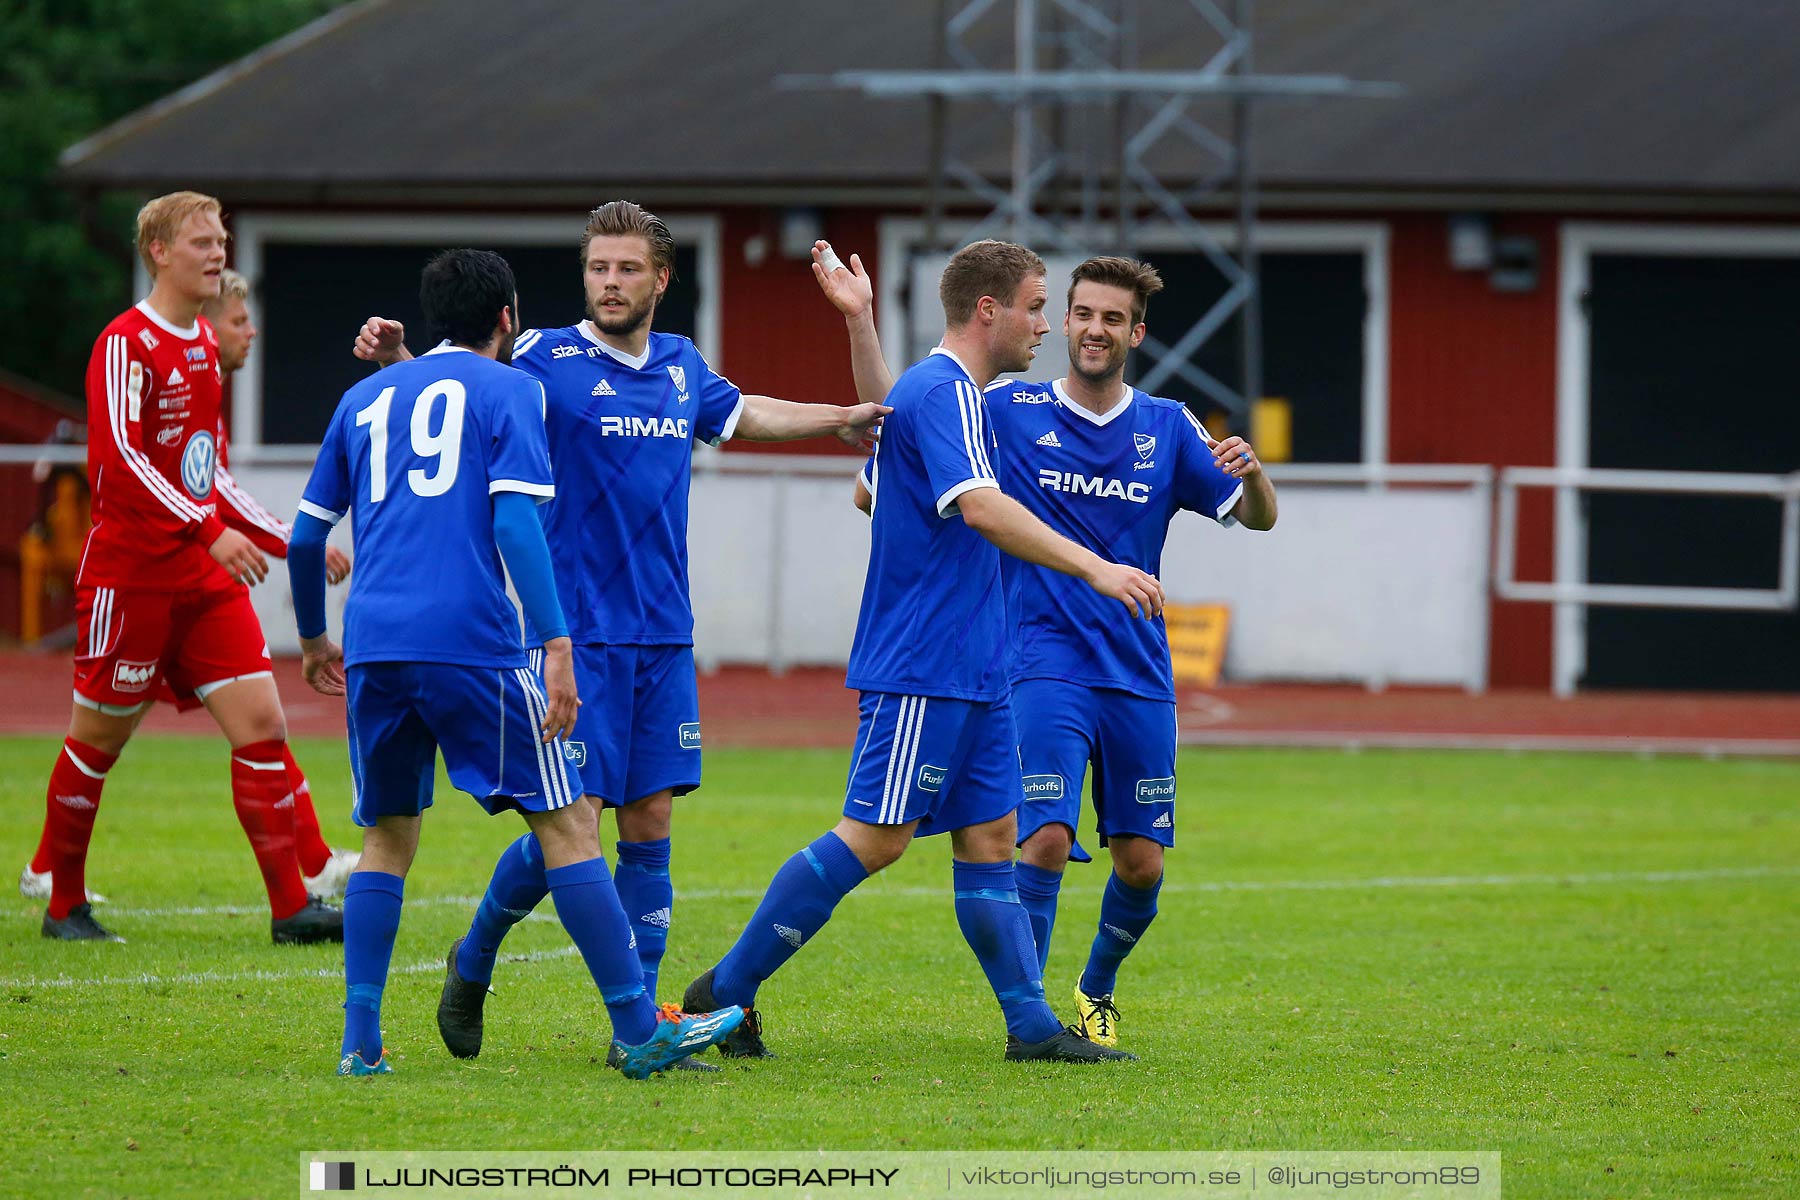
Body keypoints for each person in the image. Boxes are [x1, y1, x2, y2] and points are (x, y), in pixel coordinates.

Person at [352, 201, 888, 1067]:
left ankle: (632, 1027)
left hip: (662, 634)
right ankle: (478, 953)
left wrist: (839, 416)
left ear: (660, 279)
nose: (609, 281)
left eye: (627, 268)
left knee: (648, 819)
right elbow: (462, 393)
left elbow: (741, 412)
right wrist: (404, 361)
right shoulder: (543, 356)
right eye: (599, 267)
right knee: (579, 820)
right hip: (572, 635)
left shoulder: (680, 366)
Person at [682, 239, 1164, 1065]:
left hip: (978, 665)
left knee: (989, 835)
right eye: (1038, 306)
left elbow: (887, 429)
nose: (1046, 326)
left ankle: (1031, 1025)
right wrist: (1097, 567)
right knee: (876, 838)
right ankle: (725, 988)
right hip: (924, 662)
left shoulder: (960, 397)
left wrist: (860, 322)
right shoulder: (946, 393)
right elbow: (977, 507)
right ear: (990, 311)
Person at [290, 247, 743, 1078]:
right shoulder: (515, 390)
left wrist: (316, 637)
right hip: (474, 641)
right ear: (508, 319)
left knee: (386, 837)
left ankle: (361, 1043)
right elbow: (513, 526)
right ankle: (639, 1031)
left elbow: (308, 534)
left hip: (376, 643)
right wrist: (557, 643)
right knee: (571, 824)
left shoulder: (362, 398)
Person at [814, 244, 1278, 1049]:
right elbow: (903, 432)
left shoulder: (1167, 427)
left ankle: (1093, 988)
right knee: (1046, 837)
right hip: (1035, 659)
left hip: (1136, 670)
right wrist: (863, 331)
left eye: (1113, 320)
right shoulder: (1004, 409)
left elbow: (1257, 515)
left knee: (1142, 865)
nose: (1094, 330)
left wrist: (1258, 475)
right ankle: (1031, 1021)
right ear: (1063, 321)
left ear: (1138, 333)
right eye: (1082, 315)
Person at [27, 191, 342, 946]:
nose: (217, 253)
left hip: (201, 583)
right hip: (131, 581)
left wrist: (287, 536)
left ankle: (290, 907)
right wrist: (208, 532)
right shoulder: (124, 344)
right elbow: (123, 462)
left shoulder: (203, 342)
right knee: (97, 742)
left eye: (222, 239)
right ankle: (63, 902)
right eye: (201, 241)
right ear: (160, 253)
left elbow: (209, 472)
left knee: (262, 726)